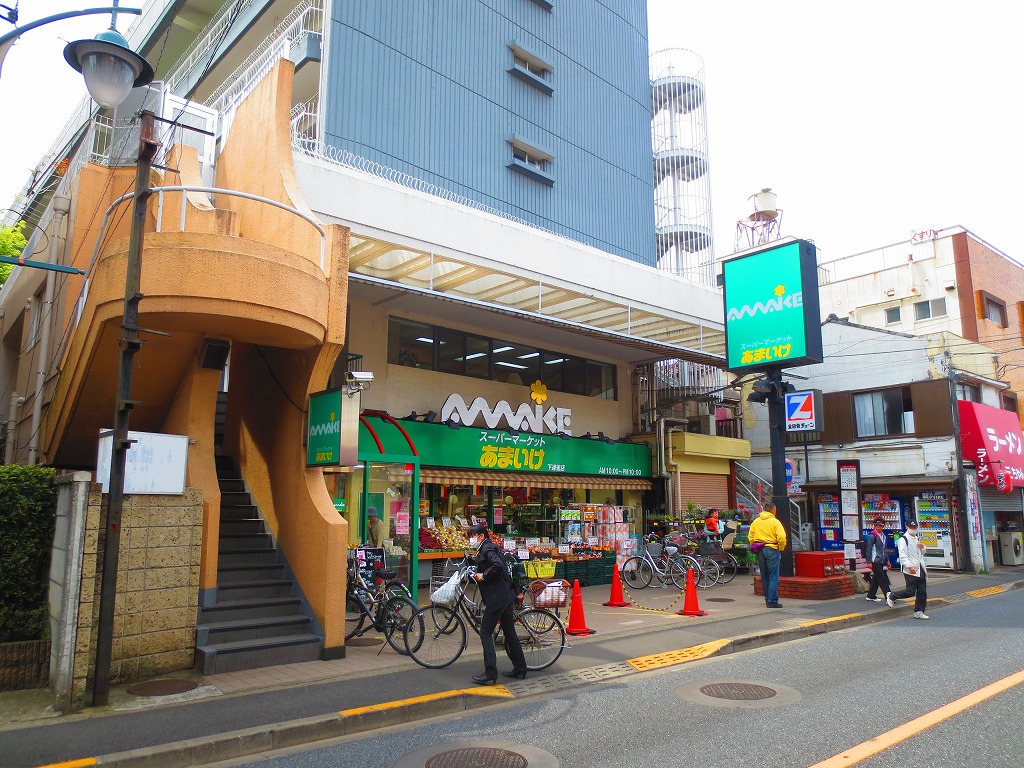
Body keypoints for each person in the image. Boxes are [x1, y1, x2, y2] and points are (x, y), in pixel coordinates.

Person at [466, 523, 528, 685]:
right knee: (509, 633)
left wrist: (484, 575)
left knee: (485, 632)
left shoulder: (486, 548)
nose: (470, 540)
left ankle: (490, 672)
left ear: (481, 536)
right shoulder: (486, 548)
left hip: (497, 597)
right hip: (505, 595)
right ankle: (520, 668)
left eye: (472, 536)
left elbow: (497, 565)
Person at [887, 519, 928, 619]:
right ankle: (892, 596)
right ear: (907, 527)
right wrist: (909, 566)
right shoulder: (903, 539)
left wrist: (923, 547)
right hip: (910, 569)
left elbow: (921, 553)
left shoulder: (917, 538)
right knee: (910, 591)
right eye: (911, 527)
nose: (913, 529)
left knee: (922, 591)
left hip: (920, 568)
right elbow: (902, 556)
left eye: (914, 528)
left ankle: (919, 611)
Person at [749, 502, 787, 608]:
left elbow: (750, 536)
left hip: (760, 549)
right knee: (773, 576)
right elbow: (781, 537)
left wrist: (755, 544)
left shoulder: (756, 521)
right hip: (772, 548)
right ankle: (772, 600)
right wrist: (780, 547)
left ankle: (767, 598)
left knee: (764, 576)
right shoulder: (775, 522)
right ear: (773, 510)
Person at [864, 517, 893, 604]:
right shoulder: (872, 536)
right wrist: (869, 562)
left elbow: (884, 549)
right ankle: (890, 597)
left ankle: (870, 595)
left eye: (880, 526)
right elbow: (868, 549)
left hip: (881, 560)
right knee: (882, 579)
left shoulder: (883, 536)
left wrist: (887, 560)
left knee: (876, 579)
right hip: (874, 561)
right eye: (876, 525)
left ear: (883, 526)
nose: (878, 527)